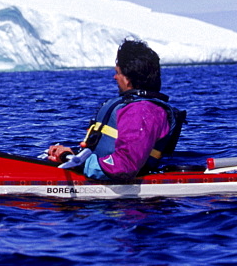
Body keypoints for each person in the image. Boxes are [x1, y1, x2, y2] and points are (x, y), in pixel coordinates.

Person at [46, 39, 184, 180]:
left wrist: (75, 163)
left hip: (121, 195)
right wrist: (72, 156)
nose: (115, 77)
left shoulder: (141, 111)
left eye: (118, 72)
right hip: (99, 173)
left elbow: (123, 166)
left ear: (128, 79)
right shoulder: (137, 108)